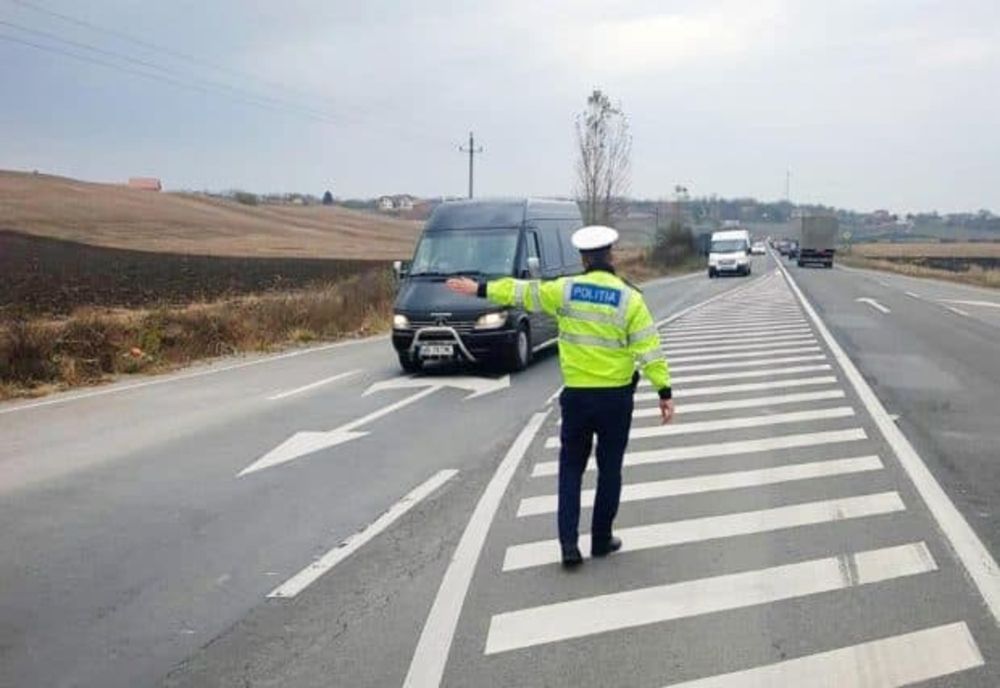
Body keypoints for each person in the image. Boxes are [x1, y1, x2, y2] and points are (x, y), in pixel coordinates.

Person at [446, 225, 674, 568]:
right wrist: (664, 391)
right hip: (615, 400)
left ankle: (569, 546)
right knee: (610, 470)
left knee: (570, 470)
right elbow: (649, 348)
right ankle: (600, 540)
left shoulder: (565, 291)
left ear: (583, 258)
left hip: (578, 399)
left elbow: (523, 292)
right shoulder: (629, 298)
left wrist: (479, 288)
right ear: (610, 255)